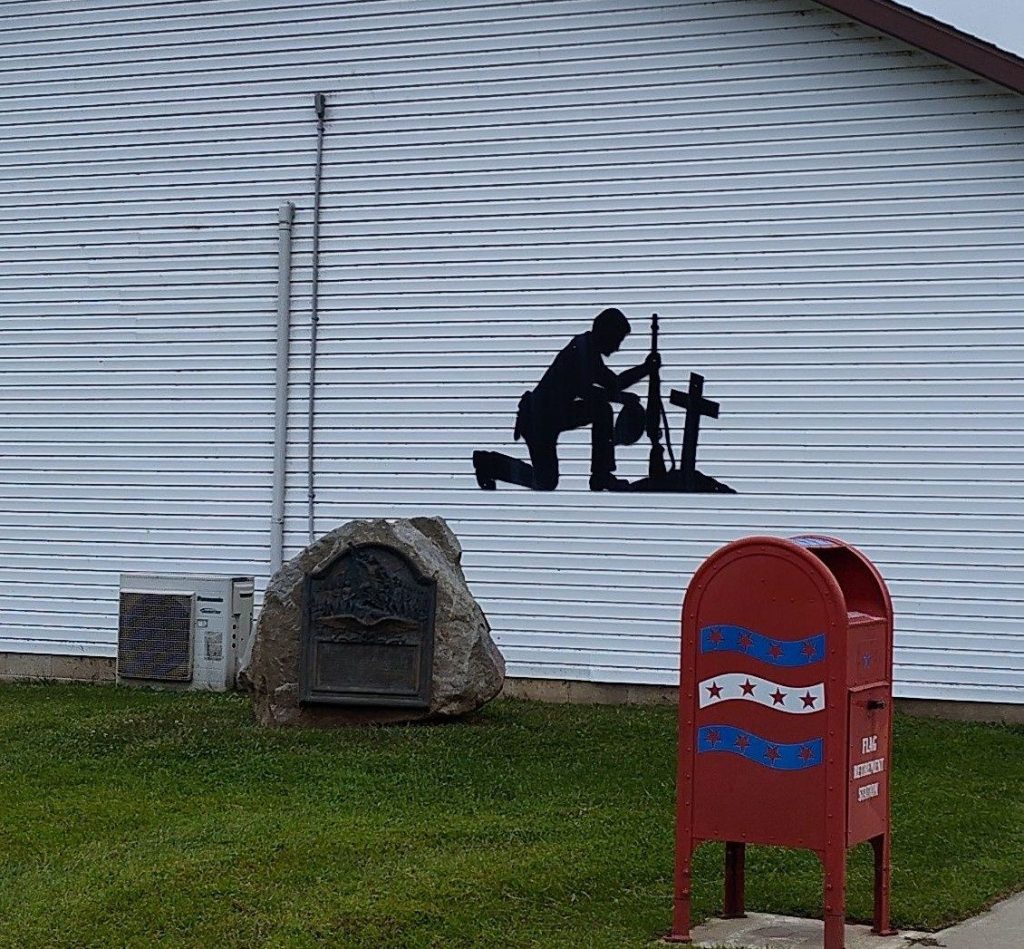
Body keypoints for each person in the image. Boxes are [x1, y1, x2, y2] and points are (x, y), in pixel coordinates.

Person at [473, 307, 659, 491]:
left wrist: (645, 368)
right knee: (545, 482)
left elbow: (613, 383)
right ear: (606, 333)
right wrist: (624, 397)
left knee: (601, 410)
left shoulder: (589, 350)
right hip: (539, 419)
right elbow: (586, 390)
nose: (617, 347)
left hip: (554, 415)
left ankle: (601, 474)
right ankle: (489, 463)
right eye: (617, 340)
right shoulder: (580, 350)